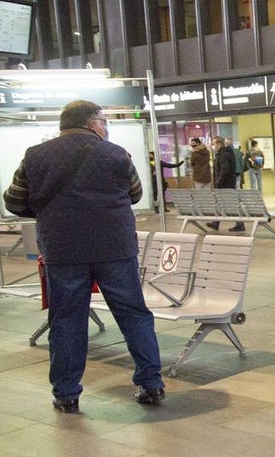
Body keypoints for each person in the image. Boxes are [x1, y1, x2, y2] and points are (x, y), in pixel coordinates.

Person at [2, 100, 166, 411]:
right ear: (92, 124)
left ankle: (66, 395)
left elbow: (14, 200)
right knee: (133, 315)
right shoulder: (117, 154)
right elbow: (135, 194)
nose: (106, 128)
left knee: (66, 320)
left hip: (63, 249)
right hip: (115, 248)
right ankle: (151, 384)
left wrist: (49, 211)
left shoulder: (34, 155)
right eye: (104, 122)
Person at [207, 136, 244, 232]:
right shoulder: (223, 154)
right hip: (226, 183)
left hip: (225, 184)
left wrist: (218, 182)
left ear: (219, 144)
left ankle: (240, 224)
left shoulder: (224, 155)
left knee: (230, 204)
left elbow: (225, 170)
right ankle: (216, 223)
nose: (213, 146)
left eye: (214, 144)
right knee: (220, 203)